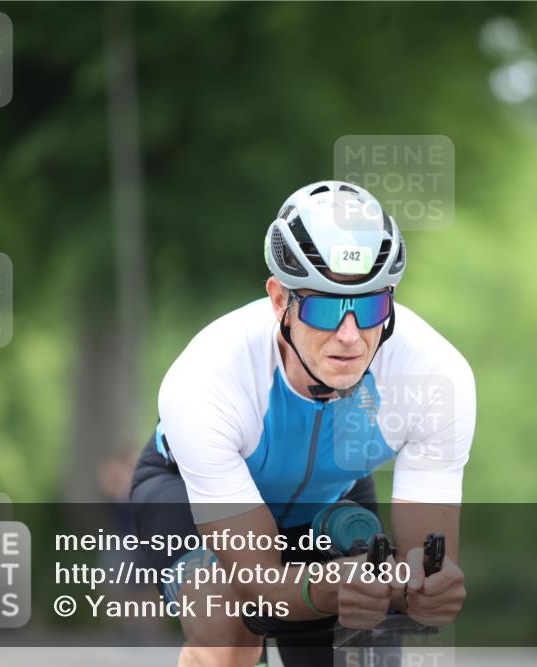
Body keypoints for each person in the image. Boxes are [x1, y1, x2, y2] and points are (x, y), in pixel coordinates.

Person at [130, 181, 476, 667]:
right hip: (183, 493)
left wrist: (424, 591)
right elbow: (262, 586)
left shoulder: (436, 376)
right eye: (326, 306)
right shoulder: (208, 376)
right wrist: (328, 591)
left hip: (332, 496)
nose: (350, 335)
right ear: (279, 300)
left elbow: (424, 567)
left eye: (371, 305)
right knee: (227, 626)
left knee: (368, 643)